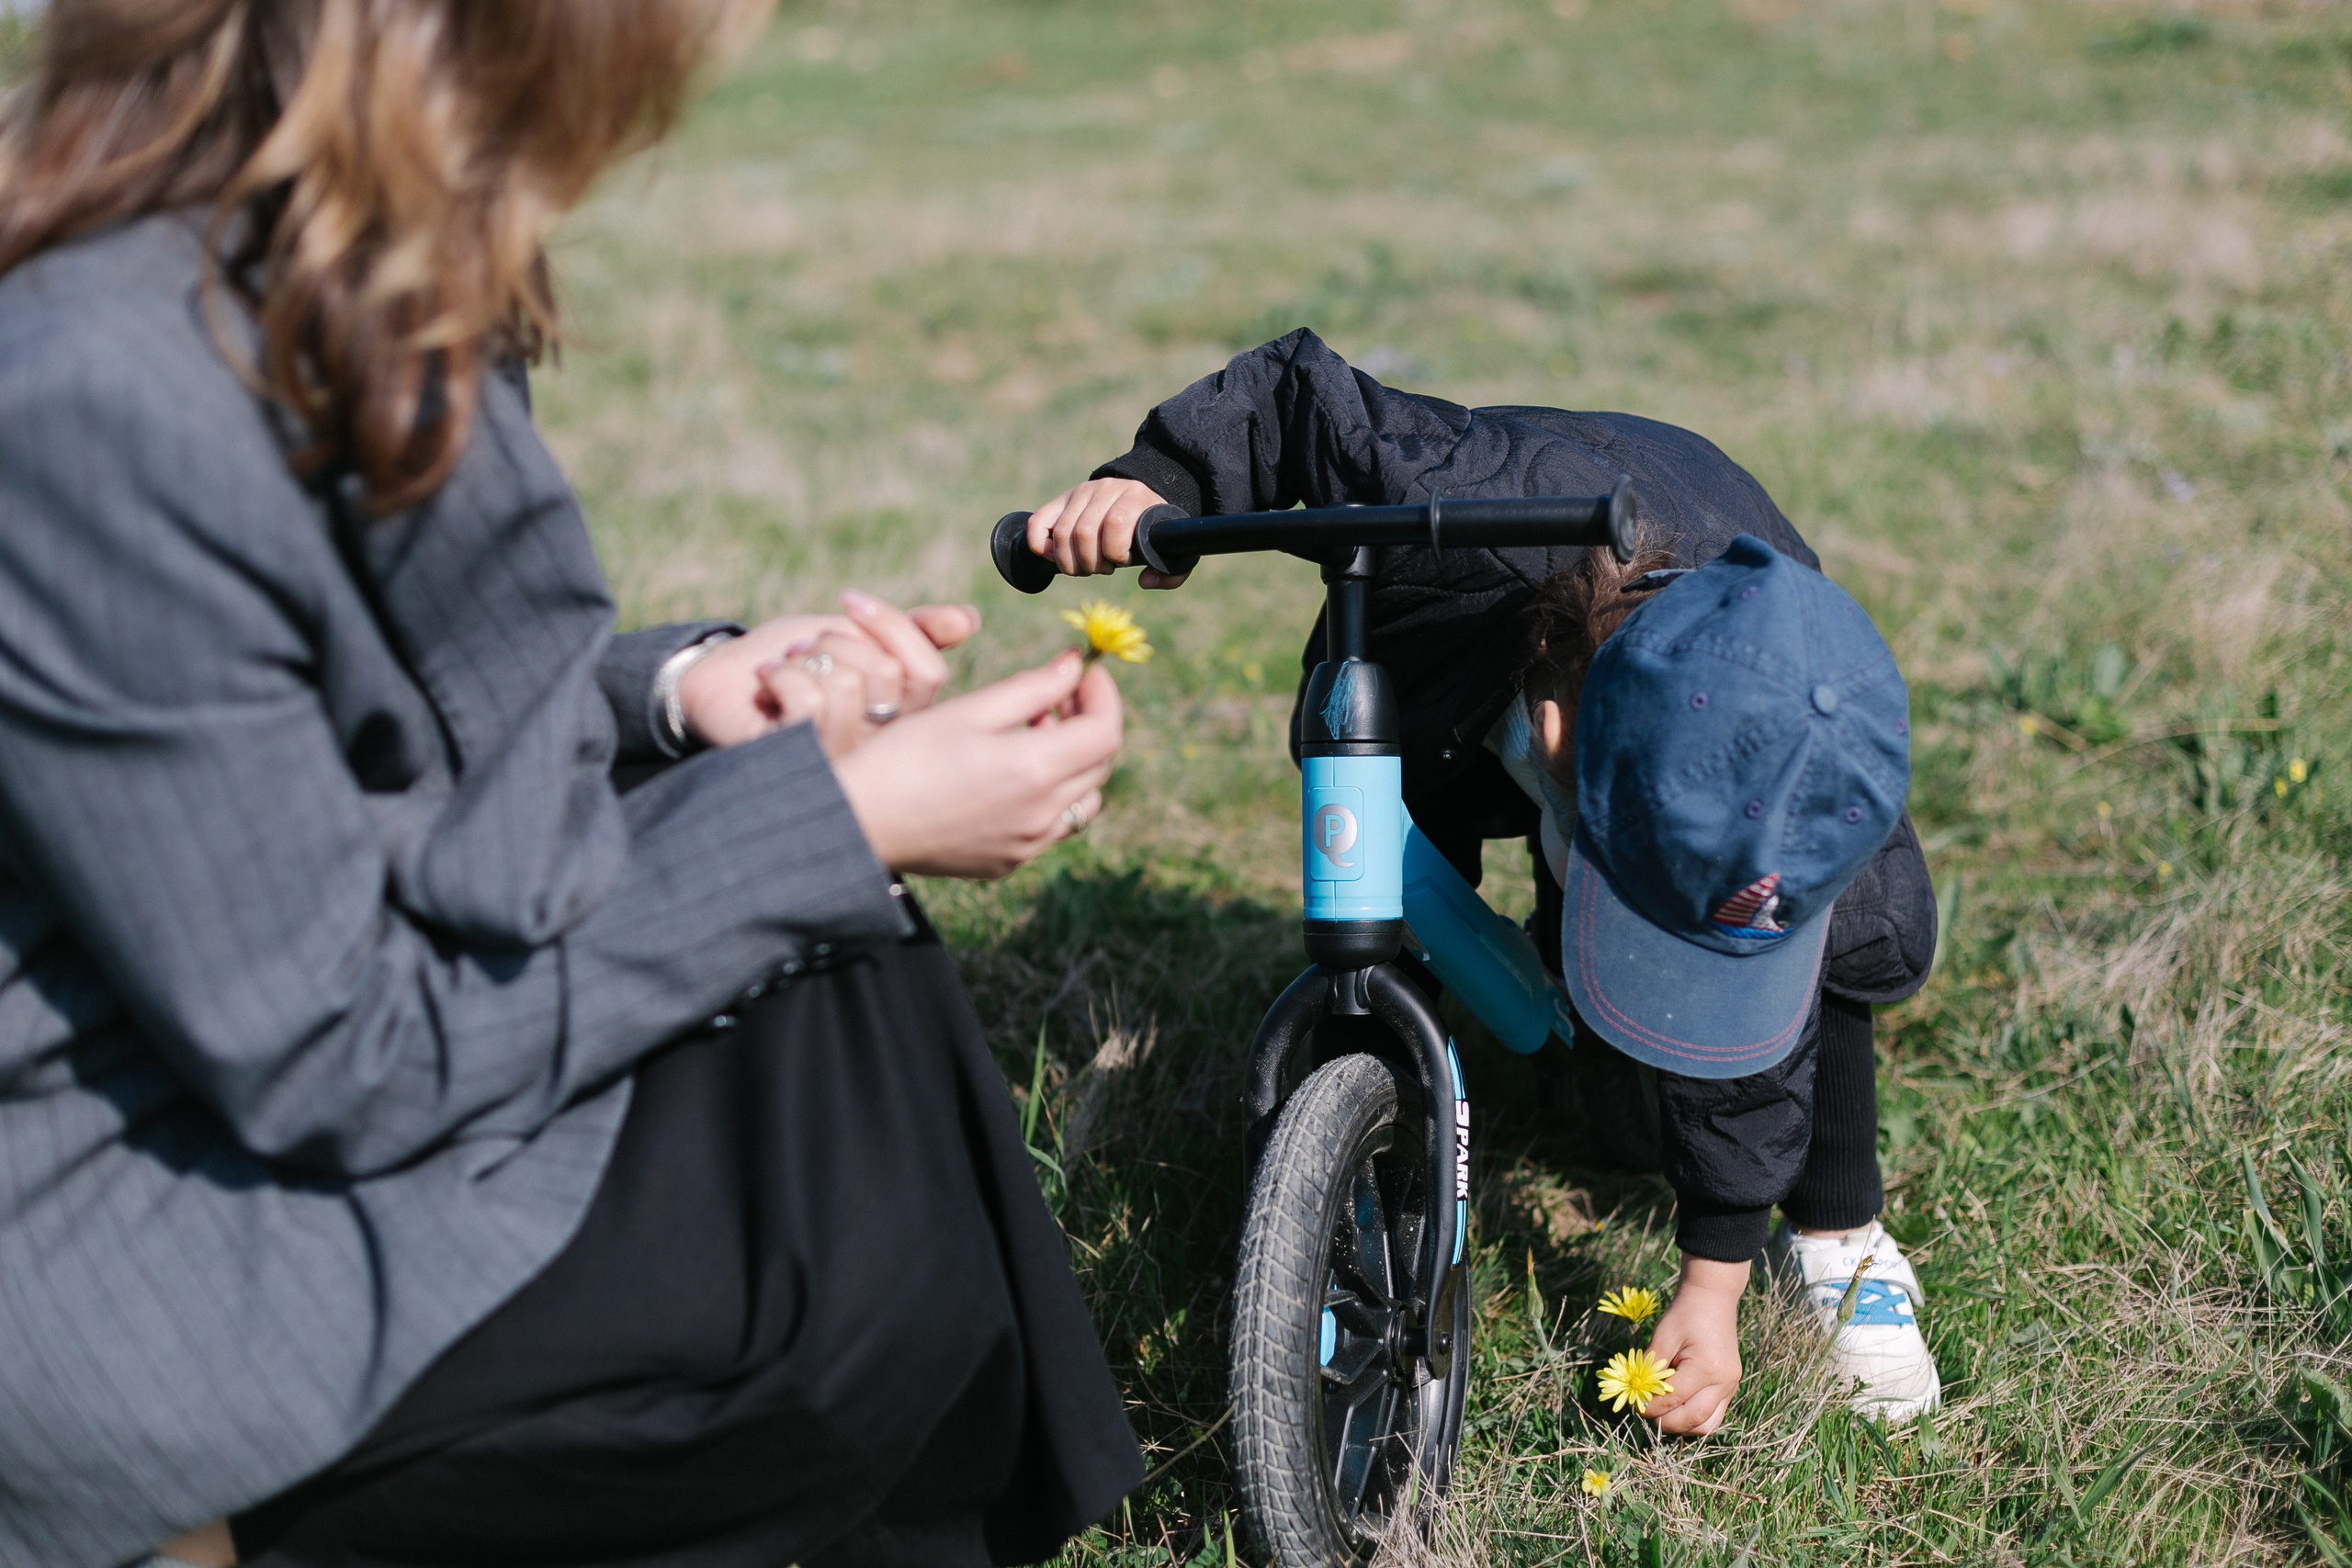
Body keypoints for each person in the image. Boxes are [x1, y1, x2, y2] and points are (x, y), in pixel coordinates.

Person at [0, 5, 1140, 1566]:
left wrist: (682, 692)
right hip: (140, 1233)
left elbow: (294, 713)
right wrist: (845, 819)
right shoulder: (100, 399)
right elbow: (335, 1046)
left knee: (844, 995)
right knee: (826, 1270)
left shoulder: (296, 271)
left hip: (262, 1059)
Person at [1025, 329, 1942, 1432]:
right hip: (1445, 673)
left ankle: (1841, 1238)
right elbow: (1296, 395)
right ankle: (1373, 1154)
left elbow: (1750, 1020)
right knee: (1400, 900)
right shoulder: (1448, 488)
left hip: (1716, 646)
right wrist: (1154, 479)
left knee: (1721, 1050)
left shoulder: (1813, 796)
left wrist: (1714, 1280)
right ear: (1552, 735)